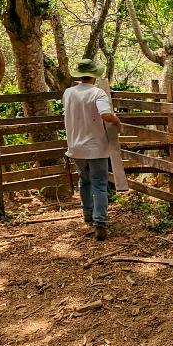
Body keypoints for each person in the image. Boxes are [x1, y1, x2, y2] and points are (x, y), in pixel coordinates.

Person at [62, 59, 121, 240]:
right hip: (96, 147)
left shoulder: (68, 93)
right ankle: (100, 222)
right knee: (99, 184)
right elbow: (104, 114)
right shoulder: (98, 93)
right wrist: (116, 120)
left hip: (75, 146)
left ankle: (88, 214)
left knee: (84, 180)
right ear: (95, 75)